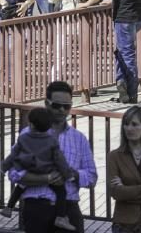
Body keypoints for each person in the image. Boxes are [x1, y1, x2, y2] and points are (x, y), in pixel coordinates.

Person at [6, 81, 98, 233]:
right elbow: (14, 173)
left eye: (66, 106)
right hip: (37, 208)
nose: (62, 110)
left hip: (68, 207)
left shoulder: (79, 138)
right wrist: (45, 178)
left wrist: (72, 174)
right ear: (46, 104)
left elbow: (92, 177)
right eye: (56, 105)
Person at [0, 107, 77, 231]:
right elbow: (59, 160)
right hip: (47, 171)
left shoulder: (23, 138)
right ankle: (61, 217)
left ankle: (9, 208)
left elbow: (13, 155)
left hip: (29, 169)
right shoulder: (52, 141)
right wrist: (68, 175)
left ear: (31, 124)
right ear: (49, 125)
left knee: (20, 187)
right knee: (61, 192)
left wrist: (4, 167)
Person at [107, 105, 141, 231]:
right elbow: (115, 192)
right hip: (124, 222)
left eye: (134, 124)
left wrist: (126, 189)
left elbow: (123, 192)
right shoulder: (114, 156)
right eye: (126, 124)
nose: (129, 128)